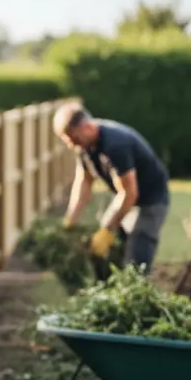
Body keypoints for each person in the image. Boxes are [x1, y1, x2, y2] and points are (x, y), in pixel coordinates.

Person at [53, 103, 170, 275]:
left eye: (74, 139)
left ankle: (136, 293)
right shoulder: (84, 146)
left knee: (138, 254)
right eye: (68, 140)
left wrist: (107, 230)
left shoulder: (116, 145)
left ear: (86, 127)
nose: (72, 145)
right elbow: (84, 182)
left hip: (151, 200)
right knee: (113, 249)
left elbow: (130, 193)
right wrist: (70, 220)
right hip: (126, 196)